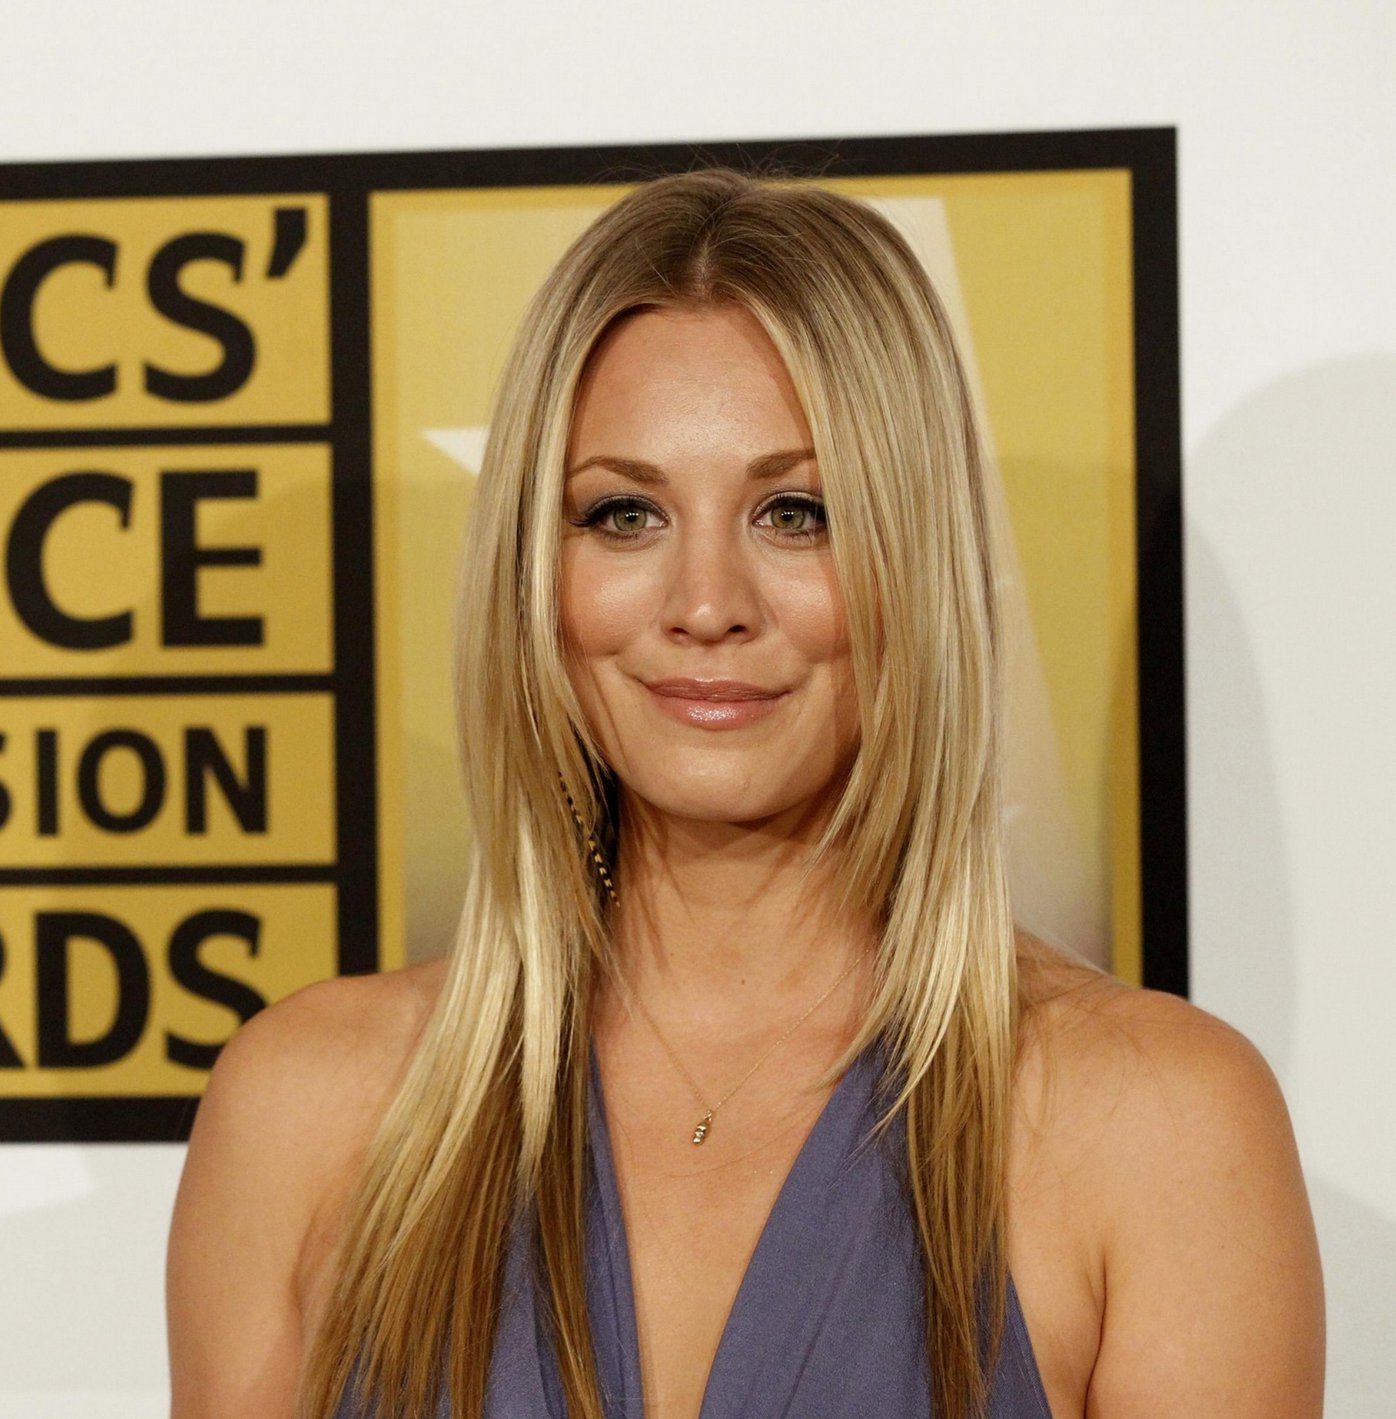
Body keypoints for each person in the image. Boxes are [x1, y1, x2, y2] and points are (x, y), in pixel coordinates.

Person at [165, 168, 1323, 1419]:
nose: (706, 602)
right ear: (533, 574)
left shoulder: (1157, 1130)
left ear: (914, 555)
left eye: (795, 512)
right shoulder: (308, 1111)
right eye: (623, 514)